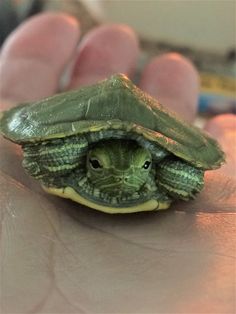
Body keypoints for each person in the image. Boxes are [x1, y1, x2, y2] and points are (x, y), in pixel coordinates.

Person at [0, 13, 235, 313]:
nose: (124, 177)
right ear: (86, 160)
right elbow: (36, 156)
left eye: (145, 165)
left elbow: (190, 179)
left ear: (152, 164)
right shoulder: (71, 158)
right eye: (97, 164)